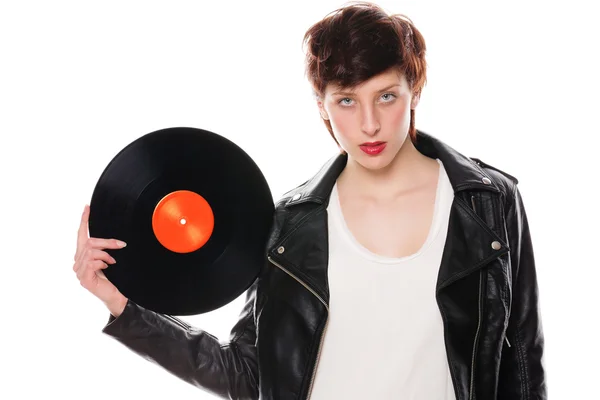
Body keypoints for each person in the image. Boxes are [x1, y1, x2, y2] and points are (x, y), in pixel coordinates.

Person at [73, 2, 546, 399]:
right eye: (345, 100)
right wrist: (121, 307)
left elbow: (523, 364)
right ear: (320, 103)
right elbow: (246, 374)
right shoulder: (288, 227)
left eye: (385, 96)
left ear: (414, 90)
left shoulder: (488, 203)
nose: (368, 124)